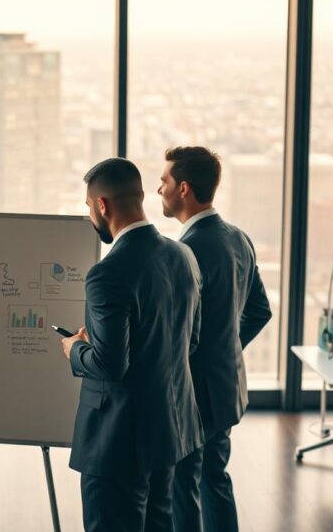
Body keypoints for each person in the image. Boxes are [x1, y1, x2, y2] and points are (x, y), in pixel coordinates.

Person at [61, 157, 204, 532]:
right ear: (140, 196)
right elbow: (190, 340)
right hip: (169, 432)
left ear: (102, 205)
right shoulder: (183, 255)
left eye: (89, 206)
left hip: (117, 442)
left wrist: (74, 348)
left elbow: (111, 366)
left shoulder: (107, 273)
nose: (91, 215)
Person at [159, 146, 272, 532]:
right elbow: (260, 310)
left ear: (184, 189)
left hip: (191, 392)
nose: (159, 190)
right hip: (224, 385)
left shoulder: (183, 251)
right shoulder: (239, 239)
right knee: (215, 479)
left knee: (182, 488)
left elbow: (175, 332)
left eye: (165, 182)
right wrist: (225, 348)